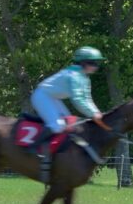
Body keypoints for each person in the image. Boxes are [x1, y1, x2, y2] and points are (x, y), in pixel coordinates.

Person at [29, 46, 106, 183]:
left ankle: (58, 157)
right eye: (93, 63)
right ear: (83, 63)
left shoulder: (84, 78)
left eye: (97, 63)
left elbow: (87, 99)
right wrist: (93, 114)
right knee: (58, 126)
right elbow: (77, 100)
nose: (96, 66)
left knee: (70, 123)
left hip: (52, 97)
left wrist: (97, 113)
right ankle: (35, 148)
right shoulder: (74, 76)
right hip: (42, 96)